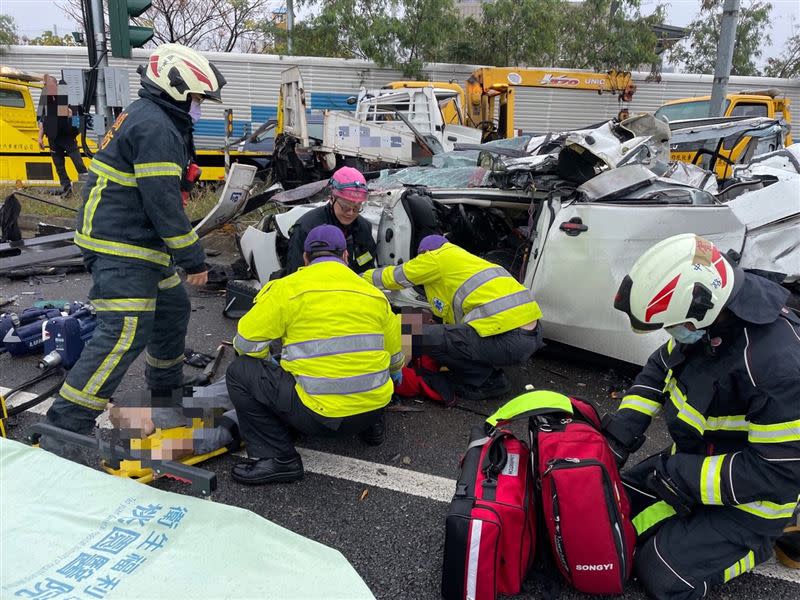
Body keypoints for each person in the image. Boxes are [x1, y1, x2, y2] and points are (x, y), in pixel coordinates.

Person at [41, 44, 226, 454]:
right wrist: (193, 258)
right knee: (124, 330)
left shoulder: (157, 117)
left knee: (172, 308)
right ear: (174, 89)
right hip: (120, 241)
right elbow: (162, 201)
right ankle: (63, 428)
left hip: (136, 240)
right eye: (196, 99)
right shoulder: (156, 126)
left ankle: (164, 393)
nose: (198, 107)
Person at [603, 233, 800, 599]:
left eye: (673, 326)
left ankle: (779, 530)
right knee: (604, 510)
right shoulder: (712, 321)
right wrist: (618, 437)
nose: (671, 334)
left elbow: (777, 473)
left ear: (702, 309)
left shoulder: (778, 367)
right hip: (696, 466)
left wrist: (679, 476)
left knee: (663, 572)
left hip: (755, 500)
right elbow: (660, 367)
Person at [226, 224, 404, 485]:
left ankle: (279, 459)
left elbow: (245, 345)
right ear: (345, 256)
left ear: (306, 258)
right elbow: (395, 358)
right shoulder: (375, 295)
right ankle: (370, 427)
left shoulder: (286, 289)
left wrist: (272, 366)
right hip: (374, 407)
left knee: (239, 371)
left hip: (319, 418)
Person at [365, 235, 543, 400]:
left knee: (416, 334)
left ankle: (487, 382)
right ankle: (488, 373)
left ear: (424, 254)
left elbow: (391, 277)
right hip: (532, 336)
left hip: (508, 340)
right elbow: (456, 317)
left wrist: (357, 277)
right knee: (442, 336)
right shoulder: (470, 261)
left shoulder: (435, 257)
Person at [284, 166, 377, 275]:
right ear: (332, 198)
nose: (351, 213)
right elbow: (294, 274)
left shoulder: (364, 228)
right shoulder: (306, 228)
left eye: (357, 208)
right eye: (345, 207)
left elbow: (368, 267)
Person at [37, 74, 88, 195]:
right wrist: (40, 138)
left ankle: (87, 187)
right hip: (54, 139)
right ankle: (67, 189)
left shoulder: (68, 98)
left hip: (68, 138)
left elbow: (77, 118)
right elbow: (42, 121)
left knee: (78, 163)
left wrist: (72, 119)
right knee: (59, 167)